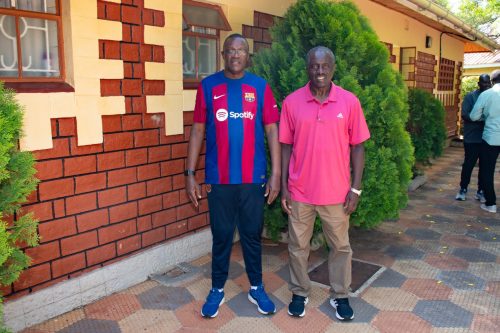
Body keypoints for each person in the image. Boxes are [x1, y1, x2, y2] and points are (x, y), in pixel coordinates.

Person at [185, 34, 281, 318]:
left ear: (248, 55)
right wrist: (190, 174)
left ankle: (256, 287)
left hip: (253, 178)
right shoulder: (208, 86)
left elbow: (273, 130)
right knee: (222, 236)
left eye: (241, 50)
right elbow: (198, 130)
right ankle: (216, 289)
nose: (235, 55)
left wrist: (276, 174)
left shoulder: (260, 87)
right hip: (219, 178)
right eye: (230, 50)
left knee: (252, 236)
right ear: (223, 54)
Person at [279, 46, 370, 320]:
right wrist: (284, 186)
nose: (320, 71)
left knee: (341, 247)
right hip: (300, 191)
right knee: (297, 247)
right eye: (315, 66)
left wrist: (355, 188)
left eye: (325, 66)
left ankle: (340, 295)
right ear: (308, 68)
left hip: (336, 193)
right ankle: (299, 291)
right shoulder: (292, 102)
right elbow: (285, 147)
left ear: (333, 68)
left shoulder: (349, 102)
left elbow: (358, 147)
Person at [455, 74, 491, 201]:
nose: (486, 85)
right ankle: (463, 189)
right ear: (478, 83)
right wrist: (481, 119)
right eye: (484, 83)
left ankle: (480, 191)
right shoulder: (471, 97)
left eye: (488, 83)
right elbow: (465, 115)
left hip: (486, 138)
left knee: (484, 166)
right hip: (472, 138)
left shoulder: (491, 97)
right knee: (469, 164)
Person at [470, 70, 500, 213]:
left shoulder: (486, 94)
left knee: (487, 171)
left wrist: (486, 117)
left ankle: (491, 203)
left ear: (492, 82)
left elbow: (474, 116)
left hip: (491, 138)